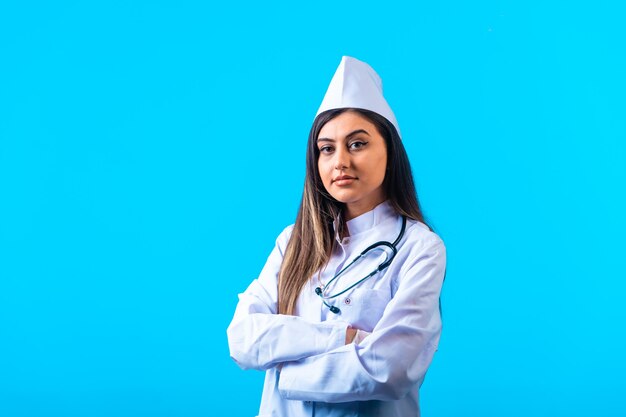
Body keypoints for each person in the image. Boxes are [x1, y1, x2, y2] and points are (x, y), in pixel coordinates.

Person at [227, 56, 447, 417]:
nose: (339, 161)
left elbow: (390, 368)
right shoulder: (294, 242)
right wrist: (343, 338)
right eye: (327, 148)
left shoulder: (419, 248)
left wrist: (285, 370)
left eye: (357, 144)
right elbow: (242, 338)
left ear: (390, 152)